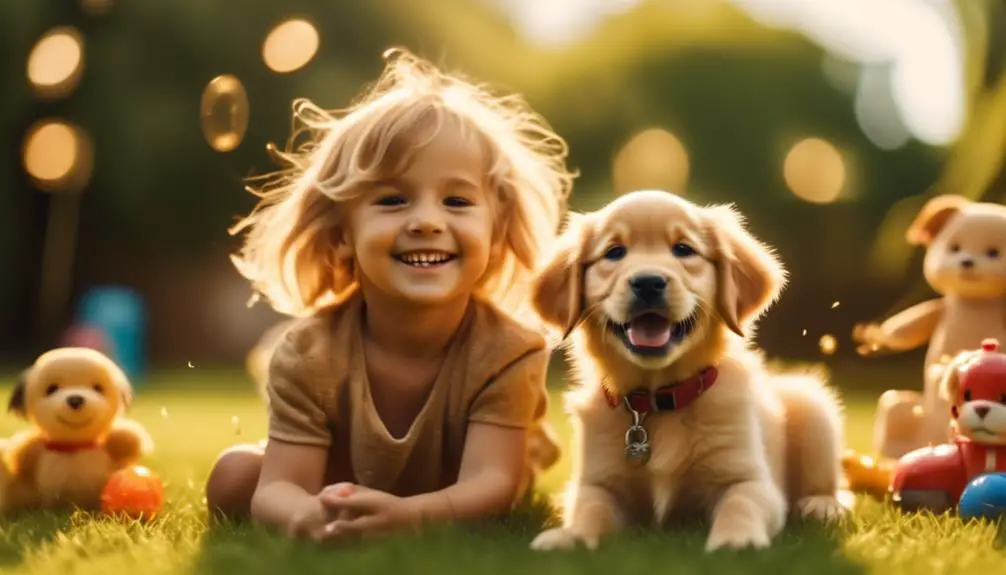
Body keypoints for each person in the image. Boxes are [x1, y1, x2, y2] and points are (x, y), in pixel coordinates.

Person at [203, 48, 574, 542]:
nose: (425, 221)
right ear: (341, 233)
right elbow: (282, 486)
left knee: (485, 509)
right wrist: (309, 517)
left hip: (459, 487)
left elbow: (492, 485)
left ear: (497, 229)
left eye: (457, 201)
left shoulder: (508, 351)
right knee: (236, 477)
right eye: (392, 200)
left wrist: (409, 518)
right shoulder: (308, 352)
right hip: (344, 484)